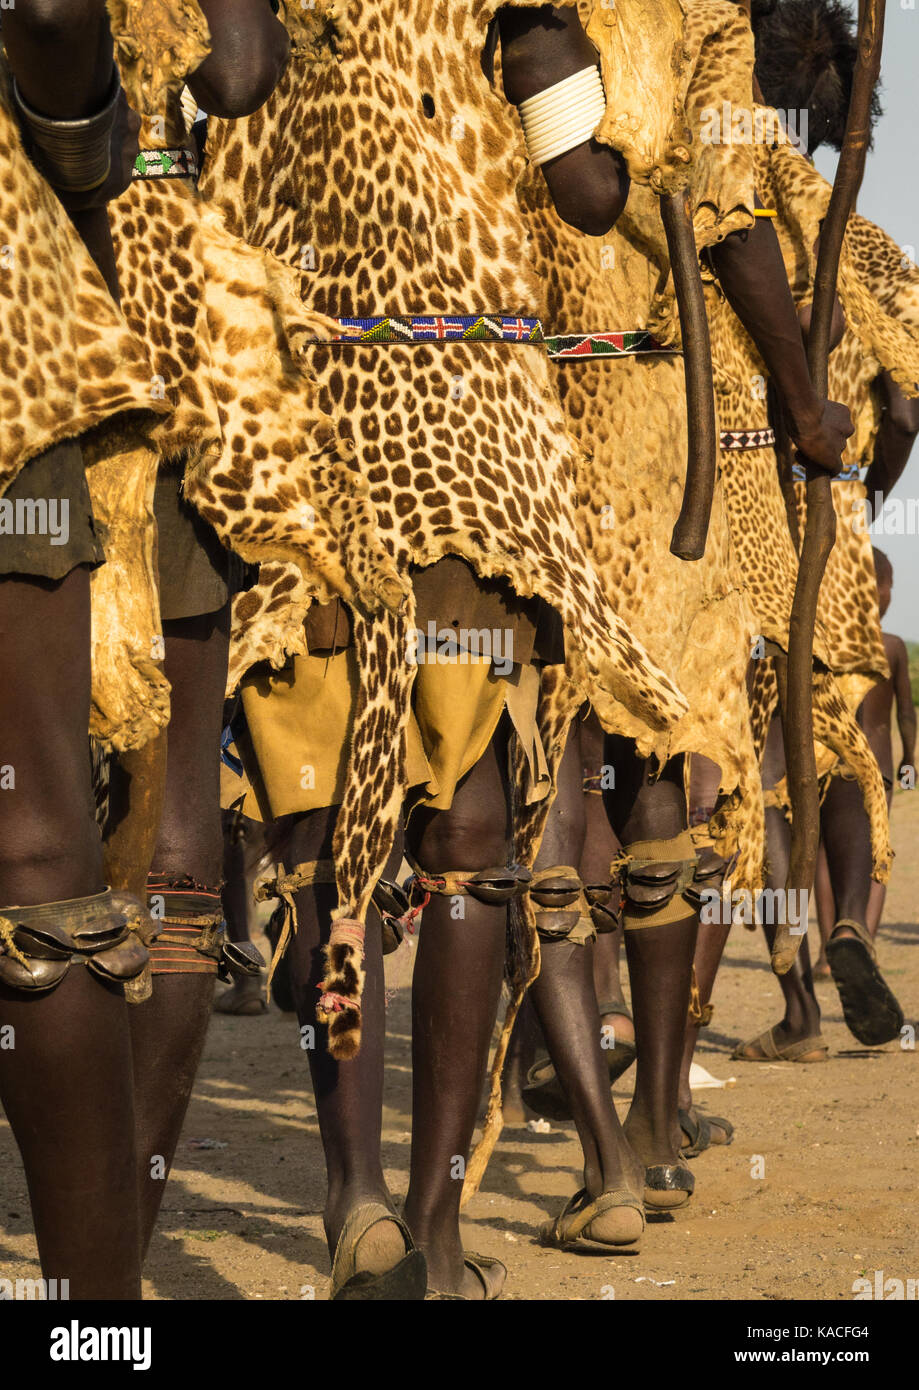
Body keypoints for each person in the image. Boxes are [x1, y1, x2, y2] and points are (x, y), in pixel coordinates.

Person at [815, 548, 917, 956]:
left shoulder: (824, 645)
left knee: (824, 850)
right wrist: (910, 756)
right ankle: (861, 941)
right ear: (878, 590)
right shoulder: (891, 645)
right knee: (877, 848)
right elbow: (906, 712)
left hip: (827, 761)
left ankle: (827, 953)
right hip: (877, 765)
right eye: (886, 586)